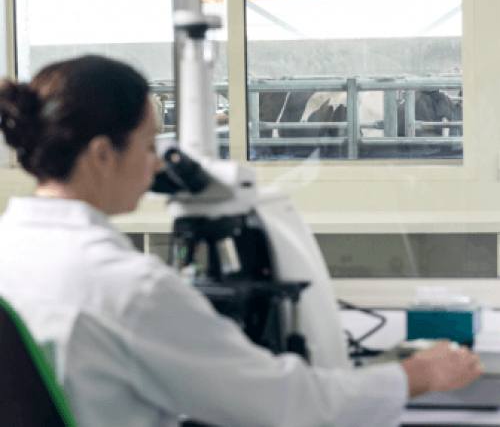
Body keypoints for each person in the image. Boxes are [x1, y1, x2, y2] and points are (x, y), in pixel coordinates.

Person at [0, 55, 483, 427]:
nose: (156, 164)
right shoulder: (128, 287)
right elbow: (285, 405)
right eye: (149, 145)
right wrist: (417, 375)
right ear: (102, 154)